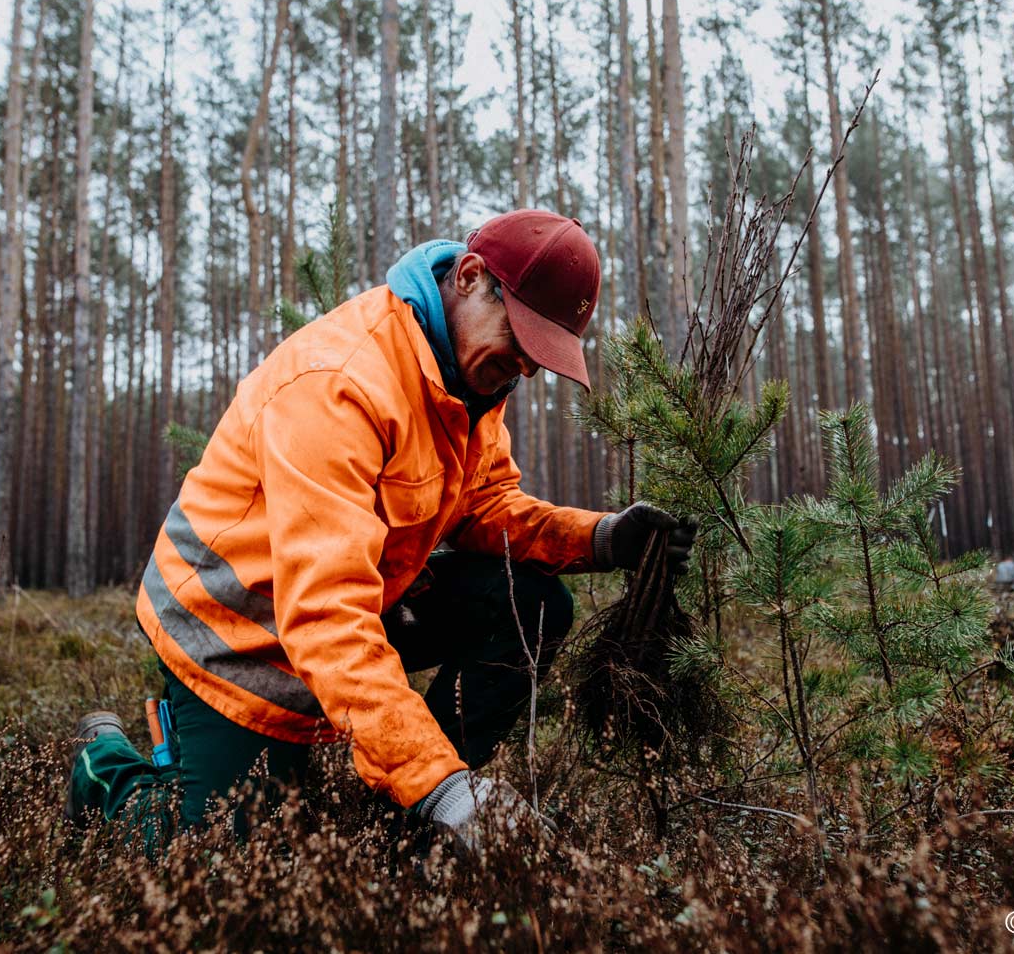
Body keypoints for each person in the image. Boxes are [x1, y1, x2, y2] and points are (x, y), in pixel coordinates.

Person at [65, 209, 697, 851]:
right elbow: (324, 614)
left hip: (357, 603)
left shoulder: (469, 386)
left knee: (530, 605)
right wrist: (438, 783)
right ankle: (104, 764)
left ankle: (414, 820)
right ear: (473, 277)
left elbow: (487, 506)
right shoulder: (340, 383)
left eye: (542, 358)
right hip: (234, 630)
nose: (524, 370)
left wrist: (602, 537)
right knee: (210, 851)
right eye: (521, 340)